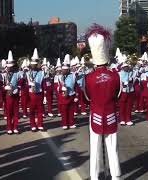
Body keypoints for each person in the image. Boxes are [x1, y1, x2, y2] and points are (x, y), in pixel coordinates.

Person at [84, 24, 121, 180]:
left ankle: (94, 176)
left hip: (96, 114)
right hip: (111, 113)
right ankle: (116, 176)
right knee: (112, 148)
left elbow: (87, 98)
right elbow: (118, 95)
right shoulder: (115, 76)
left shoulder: (89, 78)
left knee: (95, 148)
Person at [57, 54, 77, 130]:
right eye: (63, 69)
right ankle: (65, 124)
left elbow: (75, 85)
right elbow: (57, 87)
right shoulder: (59, 76)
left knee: (71, 110)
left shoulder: (73, 75)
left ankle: (71, 123)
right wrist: (62, 87)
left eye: (65, 69)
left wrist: (76, 95)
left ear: (68, 69)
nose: (63, 71)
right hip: (63, 95)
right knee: (64, 110)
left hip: (71, 94)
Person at [27, 48, 45, 132]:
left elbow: (44, 82)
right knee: (32, 110)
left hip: (39, 92)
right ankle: (33, 125)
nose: (34, 65)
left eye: (35, 64)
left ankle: (40, 124)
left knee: (40, 109)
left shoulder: (42, 72)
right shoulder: (28, 72)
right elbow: (24, 83)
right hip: (31, 93)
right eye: (33, 64)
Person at [4, 51, 20, 134]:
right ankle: (9, 127)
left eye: (11, 66)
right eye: (8, 66)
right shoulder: (4, 74)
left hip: (15, 94)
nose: (9, 68)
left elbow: (21, 83)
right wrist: (5, 88)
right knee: (9, 112)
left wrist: (17, 88)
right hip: (8, 95)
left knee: (16, 112)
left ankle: (15, 127)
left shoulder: (17, 74)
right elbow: (1, 85)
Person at [118, 61, 134, 126]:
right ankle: (122, 119)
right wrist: (123, 83)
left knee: (129, 106)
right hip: (123, 91)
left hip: (130, 90)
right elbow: (118, 82)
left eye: (127, 67)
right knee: (122, 106)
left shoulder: (131, 73)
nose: (126, 68)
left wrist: (131, 80)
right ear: (122, 68)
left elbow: (135, 78)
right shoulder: (119, 73)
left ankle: (128, 119)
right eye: (125, 67)